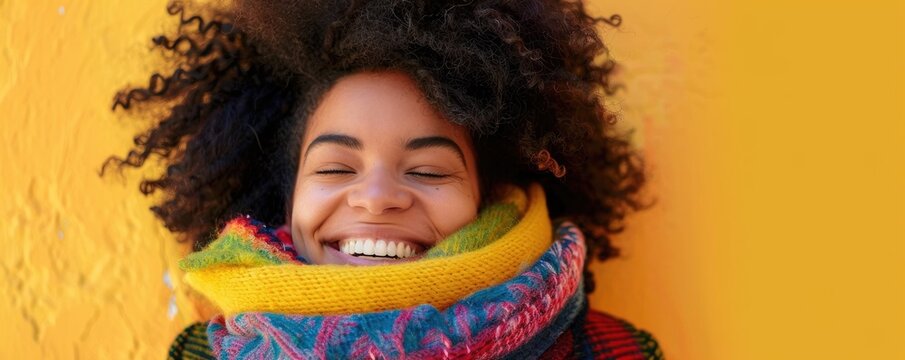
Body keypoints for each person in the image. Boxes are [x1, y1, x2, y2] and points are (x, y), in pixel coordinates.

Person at [106, 0, 663, 358]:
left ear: (487, 195)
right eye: (335, 168)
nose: (376, 199)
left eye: (427, 170)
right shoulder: (199, 354)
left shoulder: (617, 352)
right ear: (287, 193)